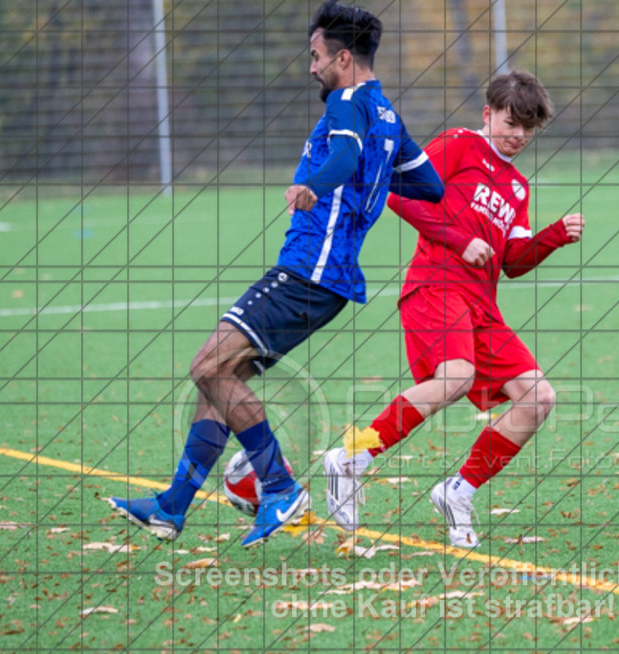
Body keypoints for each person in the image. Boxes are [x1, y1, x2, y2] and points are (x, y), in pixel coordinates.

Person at [108, 0, 443, 548]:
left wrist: (321, 183)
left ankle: (281, 488)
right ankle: (172, 507)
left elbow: (342, 154)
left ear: (341, 58)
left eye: (315, 57)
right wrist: (372, 178)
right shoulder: (387, 117)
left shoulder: (347, 104)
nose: (311, 67)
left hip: (307, 272)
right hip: (325, 279)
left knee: (208, 367)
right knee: (220, 382)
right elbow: (428, 185)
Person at [323, 68, 585, 548]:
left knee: (538, 398)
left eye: (529, 128)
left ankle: (458, 492)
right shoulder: (459, 145)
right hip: (436, 285)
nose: (520, 136)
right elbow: (395, 191)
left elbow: (513, 262)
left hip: (483, 307)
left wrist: (553, 237)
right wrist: (458, 240)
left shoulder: (518, 188)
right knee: (455, 376)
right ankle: (352, 456)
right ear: (489, 113)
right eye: (512, 123)